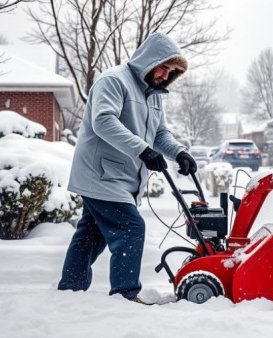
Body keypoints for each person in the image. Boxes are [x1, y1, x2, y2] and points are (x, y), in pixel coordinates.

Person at [58, 32, 197, 304]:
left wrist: (179, 153)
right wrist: (142, 150)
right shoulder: (114, 80)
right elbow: (103, 121)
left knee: (90, 234)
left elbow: (160, 134)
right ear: (149, 60)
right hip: (101, 174)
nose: (164, 75)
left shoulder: (154, 95)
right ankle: (126, 293)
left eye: (171, 72)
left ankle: (69, 292)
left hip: (120, 178)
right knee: (130, 227)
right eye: (163, 67)